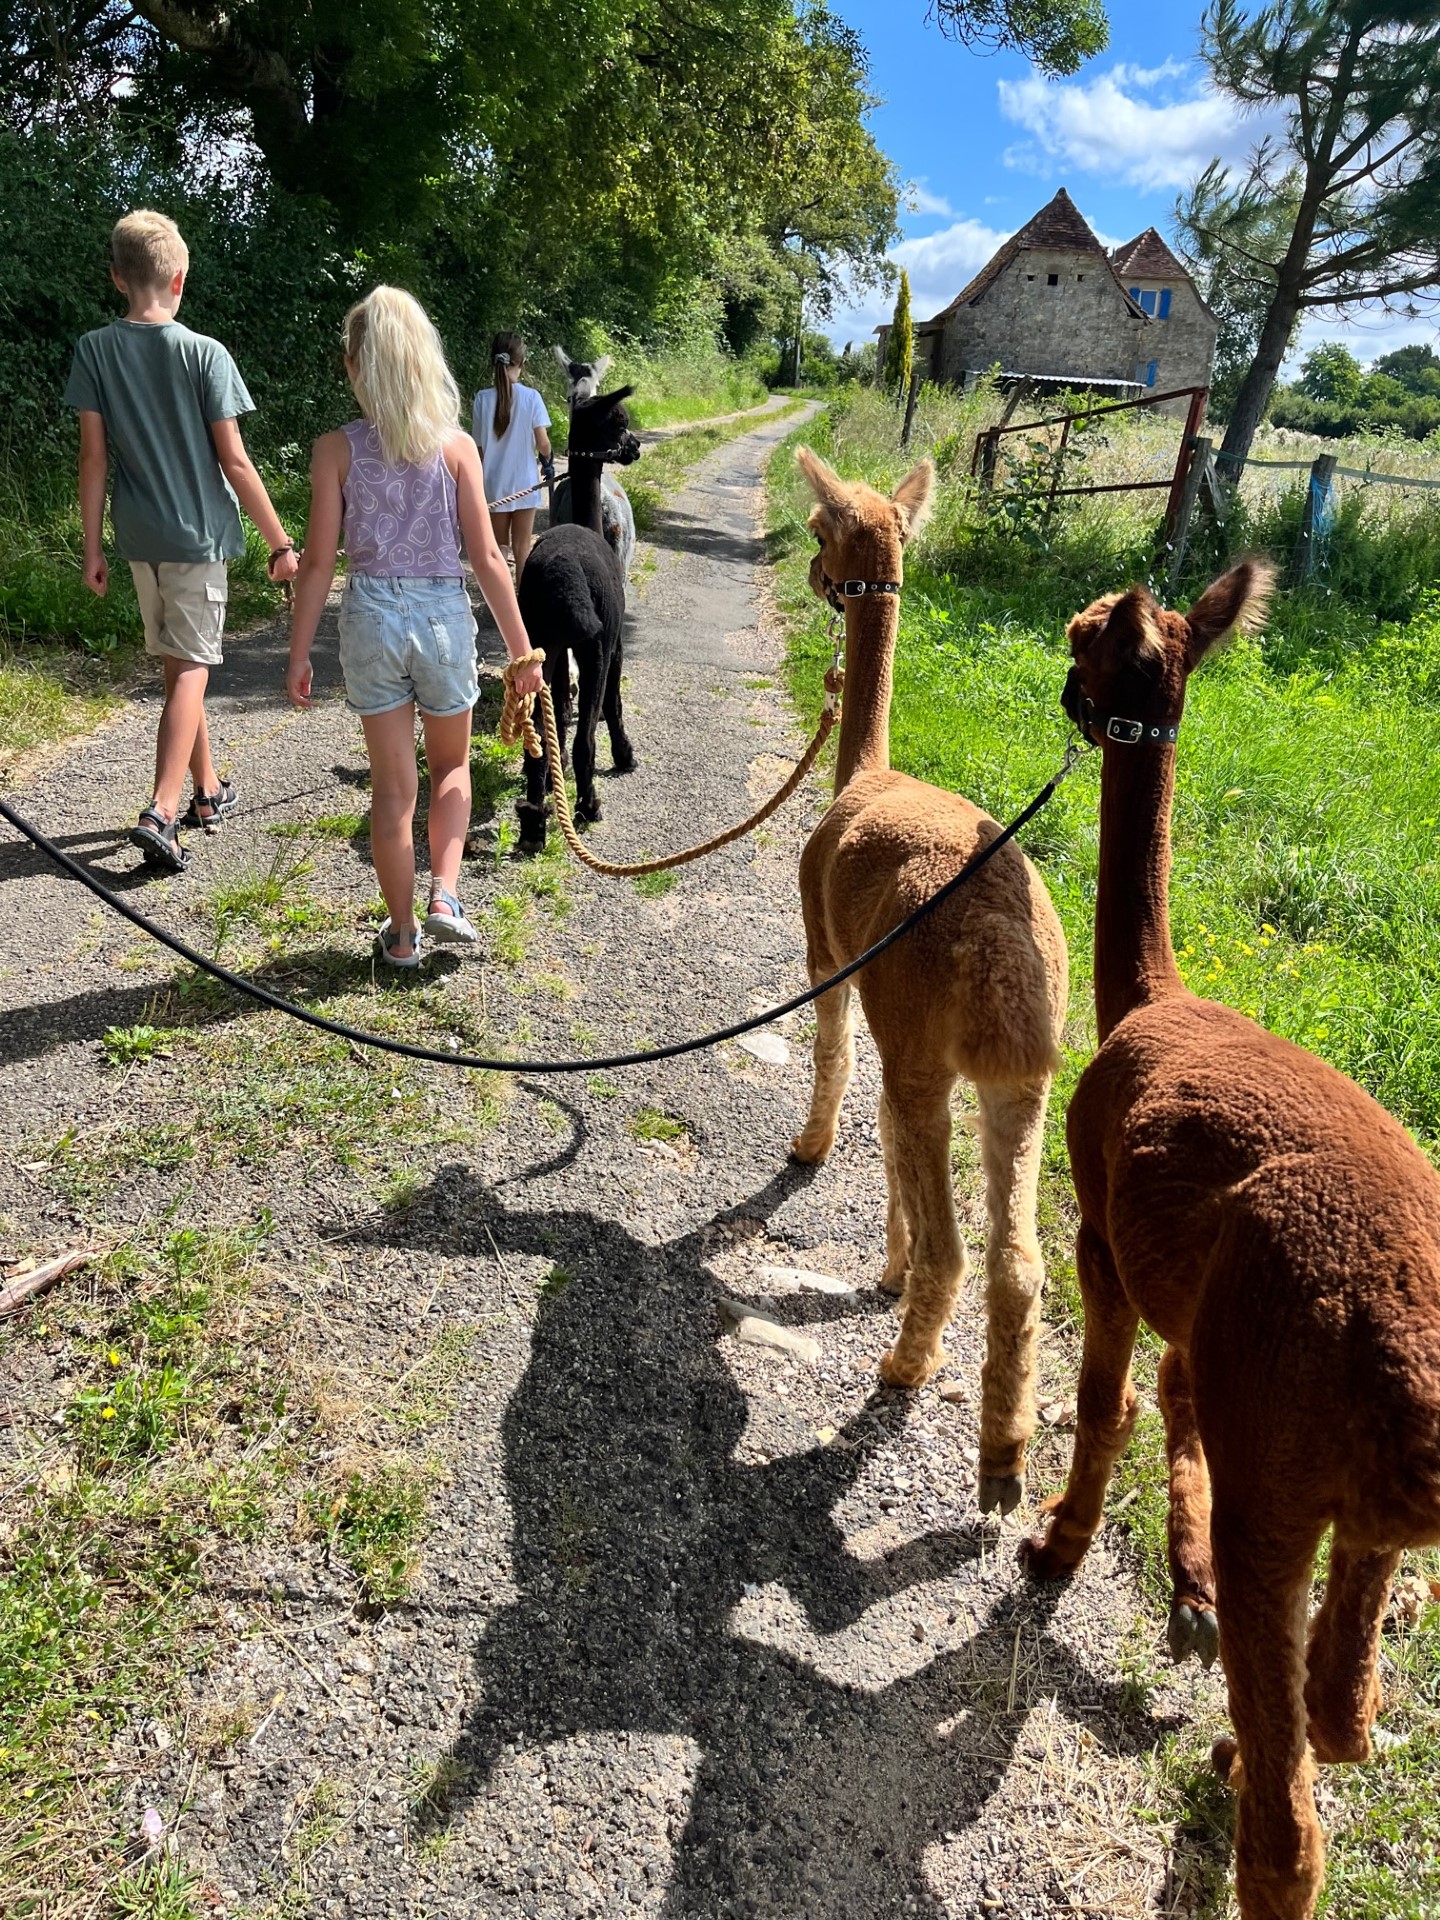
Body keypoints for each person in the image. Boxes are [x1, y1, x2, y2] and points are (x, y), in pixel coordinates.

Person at [285, 287, 545, 968]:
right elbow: (489, 557)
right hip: (441, 618)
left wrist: (299, 652)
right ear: (426, 363)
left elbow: (316, 563)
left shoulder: (333, 451)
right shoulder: (458, 448)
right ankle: (446, 897)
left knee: (392, 790)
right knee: (453, 765)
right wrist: (522, 653)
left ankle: (400, 936)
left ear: (354, 367)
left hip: (371, 615)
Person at [65, 209, 300, 871]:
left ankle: (206, 791)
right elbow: (235, 460)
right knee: (193, 667)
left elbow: (92, 460)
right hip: (197, 537)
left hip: (138, 536)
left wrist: (92, 549)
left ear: (117, 278)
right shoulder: (205, 354)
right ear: (180, 279)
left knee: (176, 665)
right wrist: (281, 542)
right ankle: (162, 810)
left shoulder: (94, 349)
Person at [471, 333, 552, 579]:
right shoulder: (532, 398)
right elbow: (543, 443)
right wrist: (547, 460)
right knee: (522, 548)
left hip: (494, 485)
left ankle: (500, 605)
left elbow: (479, 450)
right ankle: (522, 605)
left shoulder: (482, 399)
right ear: (521, 363)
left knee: (498, 547)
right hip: (525, 484)